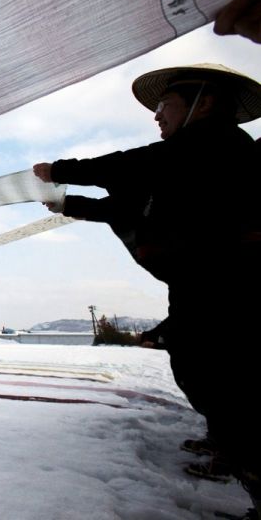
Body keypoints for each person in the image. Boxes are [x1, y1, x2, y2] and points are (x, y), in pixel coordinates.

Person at [33, 63, 261, 513]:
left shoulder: (216, 146)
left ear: (205, 102)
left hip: (233, 288)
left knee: (226, 381)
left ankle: (244, 460)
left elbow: (132, 167)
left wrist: (60, 170)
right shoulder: (187, 162)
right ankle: (235, 454)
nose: (157, 115)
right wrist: (70, 203)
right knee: (209, 374)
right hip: (207, 286)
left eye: (164, 105)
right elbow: (133, 204)